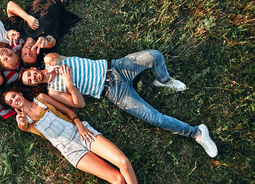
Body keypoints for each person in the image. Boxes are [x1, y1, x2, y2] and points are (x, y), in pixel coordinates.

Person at [0, 85, 170, 184]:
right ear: (12, 107)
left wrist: (79, 125)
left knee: (123, 161)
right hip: (71, 151)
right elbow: (23, 127)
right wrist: (21, 122)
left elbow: (68, 111)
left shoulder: (41, 98)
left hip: (82, 132)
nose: (15, 100)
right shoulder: (24, 123)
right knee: (116, 179)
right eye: (11, 102)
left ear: (20, 93)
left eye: (14, 95)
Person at [18, 50, 218, 157]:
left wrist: (55, 67)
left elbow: (54, 57)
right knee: (153, 117)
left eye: (30, 74)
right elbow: (79, 104)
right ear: (34, 86)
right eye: (30, 81)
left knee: (155, 55)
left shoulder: (49, 60)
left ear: (33, 68)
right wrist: (69, 84)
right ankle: (197, 133)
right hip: (112, 92)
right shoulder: (53, 91)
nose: (33, 77)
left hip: (115, 67)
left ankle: (164, 80)